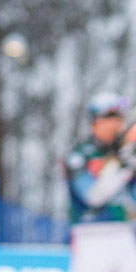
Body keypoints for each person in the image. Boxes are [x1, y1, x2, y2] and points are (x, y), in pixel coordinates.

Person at [64, 91, 136, 272]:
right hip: (91, 238)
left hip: (124, 235)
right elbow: (93, 195)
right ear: (98, 120)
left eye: (121, 117)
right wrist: (121, 163)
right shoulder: (80, 156)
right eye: (114, 117)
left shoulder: (127, 154)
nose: (120, 123)